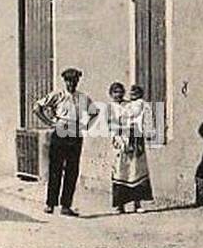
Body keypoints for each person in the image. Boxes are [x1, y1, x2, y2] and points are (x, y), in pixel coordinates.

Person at [33, 68, 98, 216]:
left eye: (74, 80)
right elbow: (37, 108)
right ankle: (50, 204)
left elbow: (94, 112)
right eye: (68, 80)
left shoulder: (83, 97)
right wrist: (50, 123)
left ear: (78, 81)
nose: (71, 83)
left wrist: (86, 126)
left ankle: (66, 205)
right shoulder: (58, 95)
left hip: (75, 132)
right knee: (55, 169)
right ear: (65, 81)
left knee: (72, 170)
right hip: (60, 130)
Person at [109, 83, 154, 213]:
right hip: (120, 142)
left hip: (134, 141)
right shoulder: (110, 108)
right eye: (115, 92)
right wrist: (117, 139)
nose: (118, 95)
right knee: (120, 171)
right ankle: (120, 205)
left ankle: (137, 204)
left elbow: (138, 118)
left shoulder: (130, 105)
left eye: (120, 92)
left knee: (136, 170)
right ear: (111, 94)